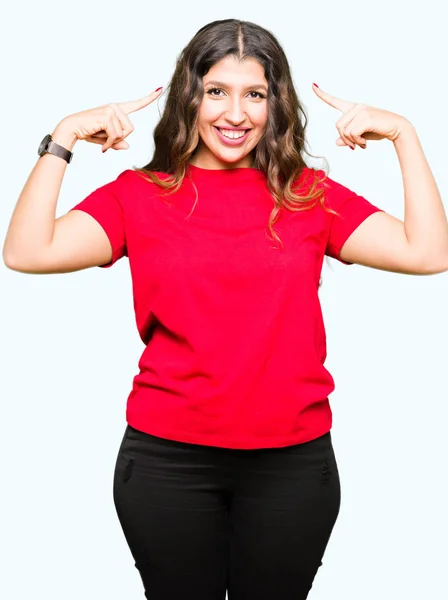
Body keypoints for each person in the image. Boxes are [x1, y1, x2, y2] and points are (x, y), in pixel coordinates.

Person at [3, 17, 448, 600]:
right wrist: (63, 137)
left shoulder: (307, 194)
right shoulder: (139, 195)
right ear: (190, 95)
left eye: (254, 94)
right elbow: (27, 251)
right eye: (217, 90)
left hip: (292, 466)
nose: (235, 114)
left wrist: (404, 135)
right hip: (168, 464)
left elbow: (428, 251)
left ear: (275, 104)